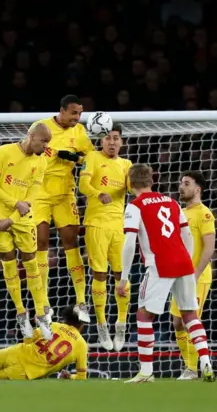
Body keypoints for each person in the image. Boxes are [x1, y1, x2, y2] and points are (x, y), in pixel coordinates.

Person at [117, 164, 215, 383]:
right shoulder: (172, 202)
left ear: (130, 184)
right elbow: (187, 235)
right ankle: (205, 362)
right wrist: (186, 262)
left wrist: (123, 278)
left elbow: (129, 243)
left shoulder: (135, 206)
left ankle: (146, 371)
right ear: (152, 181)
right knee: (190, 314)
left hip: (159, 265)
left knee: (144, 314)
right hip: (184, 263)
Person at [31, 95, 95, 322]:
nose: (77, 118)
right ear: (62, 111)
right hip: (38, 192)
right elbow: (28, 151)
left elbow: (90, 159)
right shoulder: (41, 127)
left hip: (65, 193)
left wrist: (74, 158)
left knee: (71, 242)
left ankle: (81, 301)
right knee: (40, 243)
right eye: (73, 113)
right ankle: (44, 304)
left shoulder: (79, 132)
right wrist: (54, 153)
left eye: (80, 114)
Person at [0, 123, 52, 338]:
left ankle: (41, 314)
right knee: (8, 261)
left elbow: (31, 197)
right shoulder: (4, 152)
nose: (46, 146)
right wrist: (15, 204)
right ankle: (21, 313)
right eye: (43, 141)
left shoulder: (41, 161)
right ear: (30, 136)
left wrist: (13, 216)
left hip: (20, 218)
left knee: (31, 261)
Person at [78, 123, 132, 351]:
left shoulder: (126, 164)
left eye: (116, 138)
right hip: (96, 224)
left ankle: (121, 323)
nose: (112, 142)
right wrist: (98, 193)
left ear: (122, 142)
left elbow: (131, 188)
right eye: (108, 138)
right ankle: (101, 324)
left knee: (122, 274)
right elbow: (82, 184)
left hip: (119, 226)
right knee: (99, 273)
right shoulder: (91, 157)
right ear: (101, 141)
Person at [172, 171, 216, 380]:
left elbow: (209, 248)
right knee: (177, 322)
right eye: (181, 183)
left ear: (197, 189)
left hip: (197, 277)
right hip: (178, 276)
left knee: (191, 320)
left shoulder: (204, 214)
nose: (182, 187)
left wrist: (195, 274)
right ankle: (190, 367)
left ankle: (194, 368)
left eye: (186, 184)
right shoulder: (179, 213)